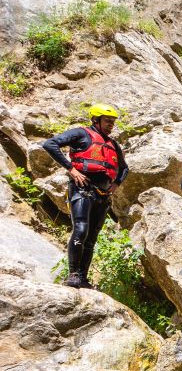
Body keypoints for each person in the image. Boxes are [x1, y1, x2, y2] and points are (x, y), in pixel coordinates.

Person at [42, 103, 129, 289]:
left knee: (91, 238)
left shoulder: (113, 144)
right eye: (107, 121)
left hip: (103, 195)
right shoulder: (81, 134)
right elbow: (50, 144)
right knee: (81, 229)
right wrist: (71, 169)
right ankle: (73, 274)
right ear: (95, 120)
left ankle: (83, 278)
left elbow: (124, 168)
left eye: (113, 122)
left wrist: (116, 184)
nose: (111, 124)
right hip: (82, 189)